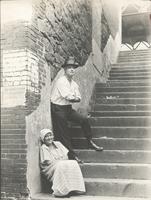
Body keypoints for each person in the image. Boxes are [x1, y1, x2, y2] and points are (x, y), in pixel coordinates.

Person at [51, 56, 103, 163]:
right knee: (64, 132)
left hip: (67, 108)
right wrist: (74, 97)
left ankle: (89, 141)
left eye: (73, 68)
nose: (72, 69)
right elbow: (69, 97)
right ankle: (72, 155)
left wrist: (74, 97)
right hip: (58, 108)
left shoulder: (74, 84)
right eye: (69, 67)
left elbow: (78, 97)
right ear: (65, 70)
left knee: (84, 119)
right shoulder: (61, 81)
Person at [40, 128, 86, 197]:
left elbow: (66, 156)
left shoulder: (58, 144)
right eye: (46, 136)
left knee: (74, 163)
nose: (49, 138)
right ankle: (60, 191)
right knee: (60, 165)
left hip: (61, 163)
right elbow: (48, 161)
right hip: (50, 168)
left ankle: (75, 188)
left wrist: (61, 161)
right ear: (43, 139)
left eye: (50, 135)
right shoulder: (44, 147)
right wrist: (60, 161)